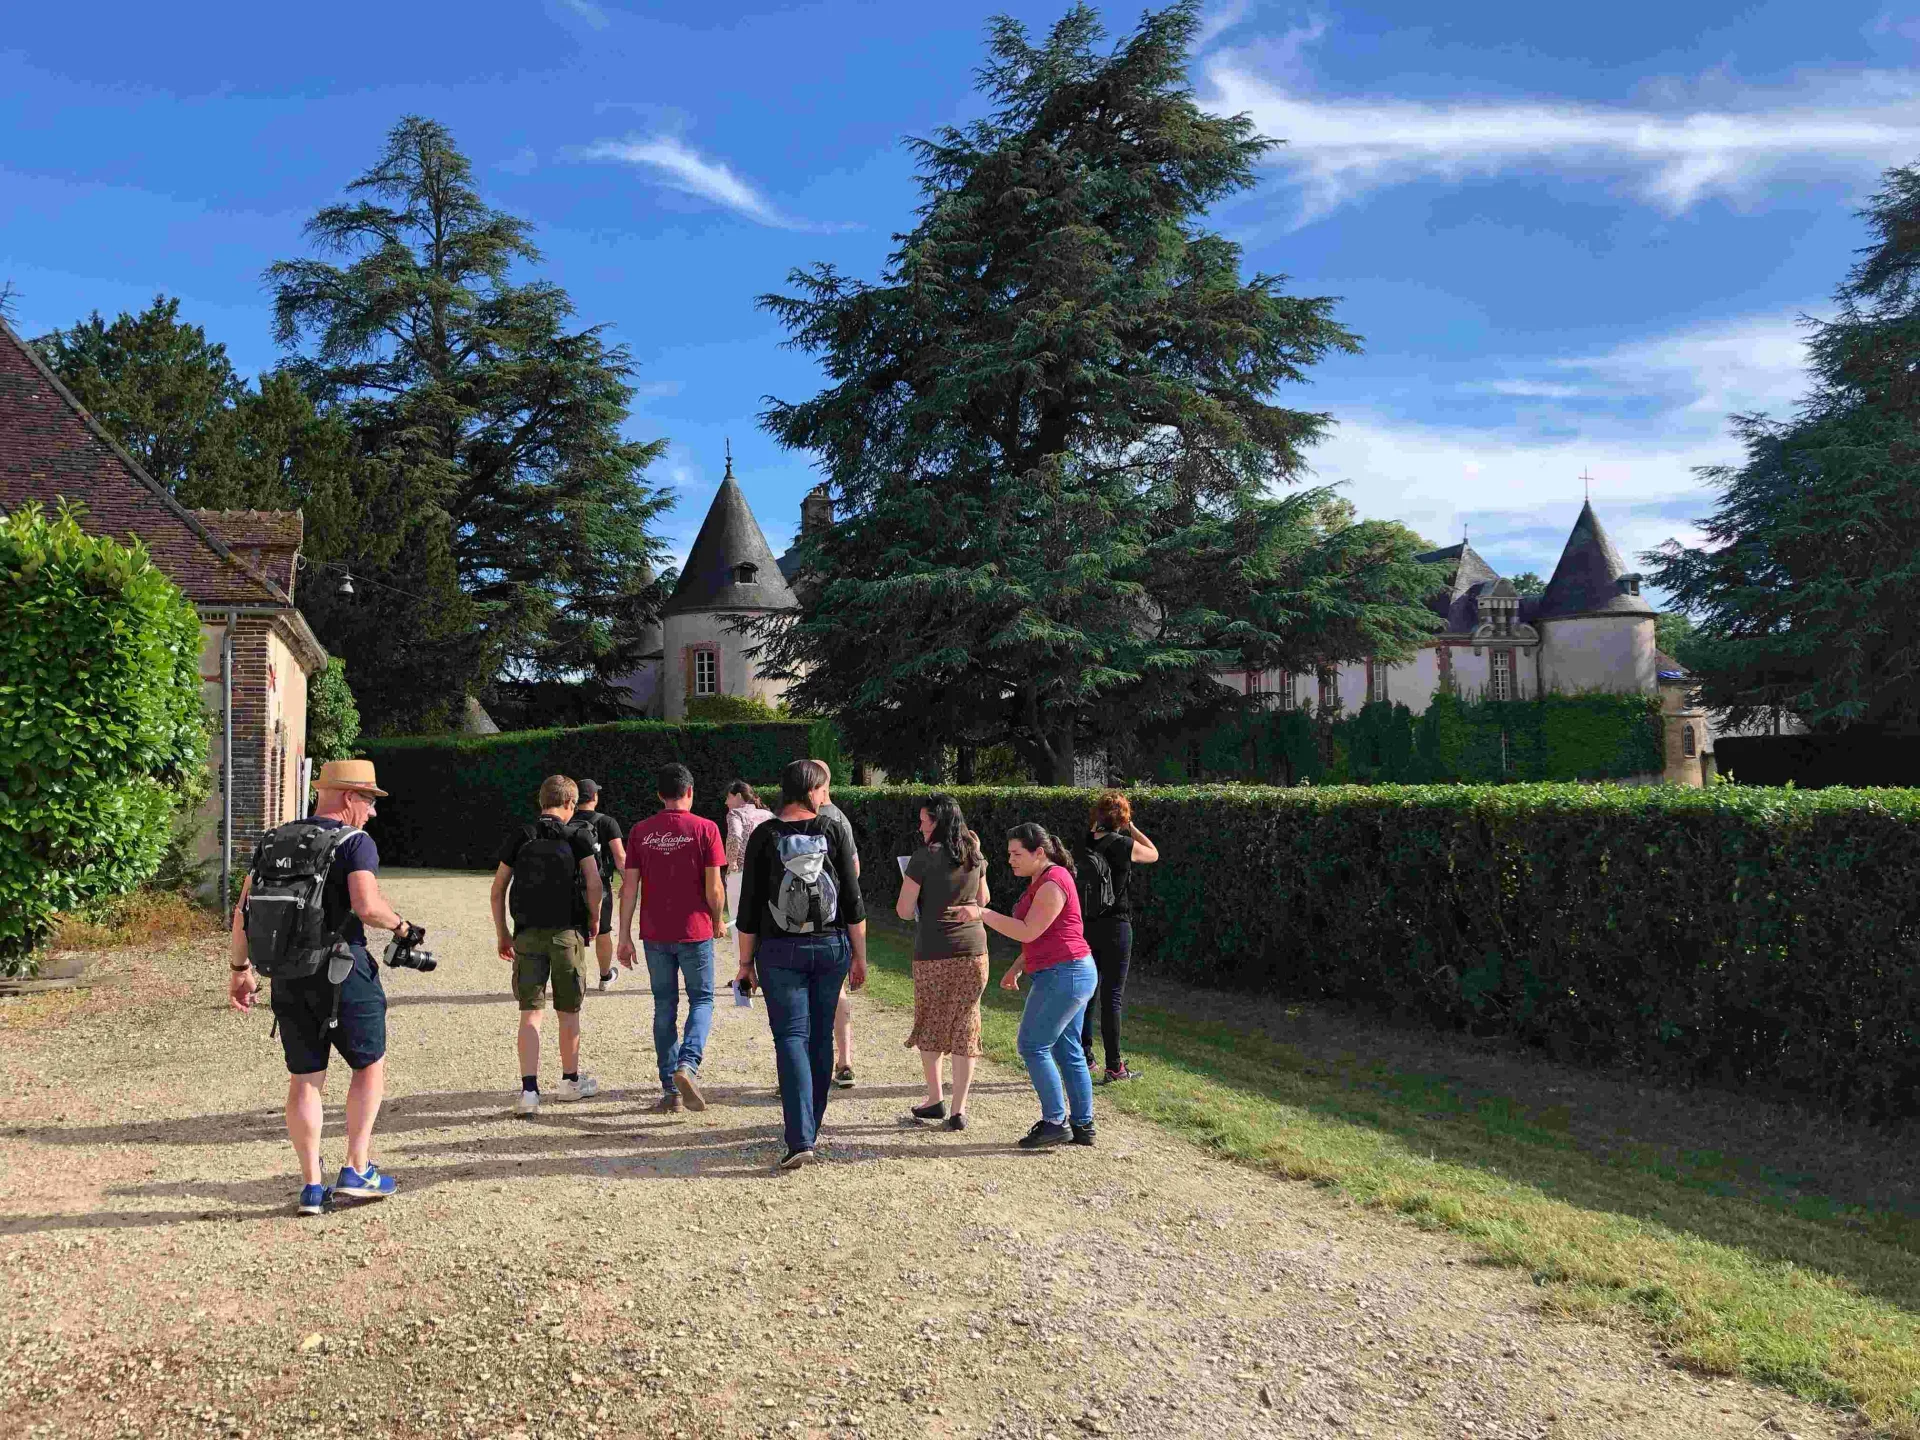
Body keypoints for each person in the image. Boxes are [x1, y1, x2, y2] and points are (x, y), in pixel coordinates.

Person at [228, 758, 409, 1215]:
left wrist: (240, 968)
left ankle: (311, 1186)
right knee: (369, 1065)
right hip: (343, 969)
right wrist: (402, 926)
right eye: (368, 800)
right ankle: (357, 1167)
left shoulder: (273, 839)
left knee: (305, 1080)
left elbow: (243, 911)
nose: (371, 812)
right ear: (349, 797)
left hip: (288, 974)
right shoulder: (354, 843)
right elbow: (366, 906)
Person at [734, 758, 868, 1169]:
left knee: (790, 1037)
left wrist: (744, 963)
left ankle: (799, 1137)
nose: (825, 796)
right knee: (819, 1035)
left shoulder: (764, 835)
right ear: (812, 791)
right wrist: (861, 956)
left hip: (779, 951)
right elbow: (853, 901)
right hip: (830, 947)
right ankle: (813, 1123)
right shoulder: (833, 830)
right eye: (823, 789)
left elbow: (749, 906)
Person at [952, 823, 1097, 1150]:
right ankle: (1083, 1125)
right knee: (1067, 1049)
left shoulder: (1053, 882)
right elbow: (1044, 934)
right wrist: (1018, 968)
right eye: (1008, 854)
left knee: (1033, 1046)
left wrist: (982, 913)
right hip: (1068, 971)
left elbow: (1029, 930)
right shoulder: (1042, 880)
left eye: (1017, 854)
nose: (1011, 860)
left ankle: (1055, 1122)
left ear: (1039, 853)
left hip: (1066, 974)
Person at [617, 763, 728, 1114]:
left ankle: (670, 1091)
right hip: (695, 931)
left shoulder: (640, 831)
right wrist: (717, 919)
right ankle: (687, 1065)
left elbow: (629, 887)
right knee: (702, 1000)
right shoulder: (706, 829)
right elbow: (714, 886)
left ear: (659, 794)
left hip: (654, 933)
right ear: (690, 792)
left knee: (664, 1005)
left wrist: (623, 936)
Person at [491, 775, 604, 1116]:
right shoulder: (578, 835)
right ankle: (570, 1082)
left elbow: (498, 889)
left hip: (526, 934)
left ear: (541, 801)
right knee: (568, 1012)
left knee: (530, 1013)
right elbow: (594, 882)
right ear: (570, 804)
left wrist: (503, 933)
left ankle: (529, 1092)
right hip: (566, 933)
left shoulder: (521, 836)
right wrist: (594, 919)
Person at [895, 793, 988, 1131]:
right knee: (966, 1023)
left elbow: (904, 911)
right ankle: (959, 1109)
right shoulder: (974, 854)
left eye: (923, 820)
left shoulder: (922, 858)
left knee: (932, 1020)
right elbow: (983, 899)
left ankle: (935, 1098)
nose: (920, 827)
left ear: (936, 821)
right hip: (974, 951)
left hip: (934, 950)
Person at [1079, 790, 1158, 1084]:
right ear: (1122, 819)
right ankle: (1114, 1066)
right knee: (1112, 997)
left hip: (1086, 925)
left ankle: (1085, 1057)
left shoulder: (1084, 843)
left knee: (1088, 991)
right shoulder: (1126, 845)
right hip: (1116, 925)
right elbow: (1154, 853)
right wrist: (1132, 828)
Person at [814, 763, 862, 1089]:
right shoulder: (840, 818)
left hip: (815, 919)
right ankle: (843, 1061)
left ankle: (823, 1064)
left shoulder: (805, 818)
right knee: (837, 988)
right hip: (838, 916)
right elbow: (854, 870)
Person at [574, 779, 626, 992]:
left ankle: (574, 978)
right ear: (594, 797)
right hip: (600, 885)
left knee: (573, 930)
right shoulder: (607, 822)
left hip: (572, 885)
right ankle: (605, 977)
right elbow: (620, 856)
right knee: (603, 931)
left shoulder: (566, 820)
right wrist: (628, 882)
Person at [722, 780, 774, 926]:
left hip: (742, 872)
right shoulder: (768, 815)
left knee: (738, 920)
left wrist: (732, 863)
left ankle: (741, 949)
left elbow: (735, 836)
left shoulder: (735, 813)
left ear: (738, 796)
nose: (726, 802)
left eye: (728, 797)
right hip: (767, 872)